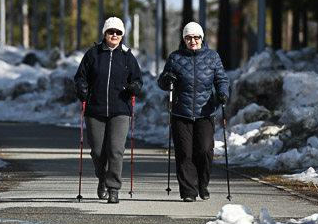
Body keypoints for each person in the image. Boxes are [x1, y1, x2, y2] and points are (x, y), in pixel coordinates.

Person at [157, 22, 229, 202]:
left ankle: (202, 184)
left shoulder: (212, 57)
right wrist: (168, 79)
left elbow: (221, 78)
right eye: (189, 38)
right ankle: (188, 191)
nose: (193, 41)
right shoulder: (175, 57)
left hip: (205, 112)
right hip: (181, 112)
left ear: (202, 38)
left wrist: (222, 93)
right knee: (184, 153)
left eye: (196, 37)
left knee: (205, 150)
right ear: (184, 39)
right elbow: (162, 83)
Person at [74, 16, 143, 204]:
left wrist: (135, 87)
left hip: (120, 109)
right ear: (105, 34)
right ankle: (102, 179)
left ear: (122, 35)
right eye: (111, 32)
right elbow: (80, 76)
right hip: (95, 108)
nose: (114, 35)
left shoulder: (128, 57)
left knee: (115, 150)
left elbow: (137, 79)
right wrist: (81, 88)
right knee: (97, 151)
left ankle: (113, 188)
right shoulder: (93, 54)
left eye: (118, 32)